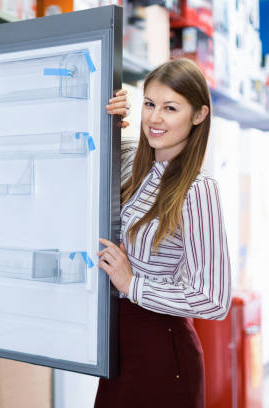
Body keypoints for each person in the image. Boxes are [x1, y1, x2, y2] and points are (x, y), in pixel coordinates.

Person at [95, 58, 232, 408]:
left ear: (199, 115)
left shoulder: (198, 190)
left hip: (163, 350)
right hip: (118, 346)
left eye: (170, 108)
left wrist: (131, 284)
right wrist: (100, 111)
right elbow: (76, 149)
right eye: (149, 104)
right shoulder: (129, 161)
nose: (155, 119)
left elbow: (214, 300)